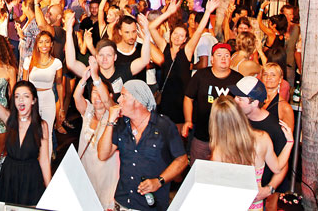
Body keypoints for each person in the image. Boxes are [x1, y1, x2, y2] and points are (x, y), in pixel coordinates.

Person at [0, 47, 51, 206]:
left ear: (33, 100)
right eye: (17, 96)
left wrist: (49, 190)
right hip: (9, 177)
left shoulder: (42, 126)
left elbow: (45, 161)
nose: (21, 100)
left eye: (26, 96)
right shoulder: (9, 119)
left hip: (31, 178)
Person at [98, 80, 188, 211]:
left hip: (151, 205)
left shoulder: (164, 126)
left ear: (138, 100)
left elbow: (182, 160)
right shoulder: (121, 125)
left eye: (123, 95)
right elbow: (102, 154)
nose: (118, 100)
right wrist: (110, 122)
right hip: (122, 202)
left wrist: (159, 181)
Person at [211, 95, 293, 210]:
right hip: (254, 205)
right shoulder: (262, 138)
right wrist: (289, 142)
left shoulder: (219, 151)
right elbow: (278, 168)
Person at [183, 38, 243, 164]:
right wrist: (188, 120)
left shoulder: (238, 79)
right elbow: (188, 98)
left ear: (230, 59)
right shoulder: (201, 75)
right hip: (202, 135)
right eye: (219, 55)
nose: (223, 58)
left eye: (227, 55)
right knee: (197, 168)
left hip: (227, 138)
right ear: (212, 59)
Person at [73, 67, 118, 209]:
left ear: (110, 95)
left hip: (106, 173)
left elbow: (109, 104)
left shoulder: (114, 115)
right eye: (94, 92)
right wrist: (84, 79)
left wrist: (96, 78)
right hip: (86, 170)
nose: (97, 96)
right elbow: (76, 97)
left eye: (100, 93)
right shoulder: (88, 110)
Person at [148, 0, 194, 125]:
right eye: (175, 34)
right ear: (171, 34)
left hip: (181, 99)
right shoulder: (165, 47)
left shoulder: (187, 51)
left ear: (185, 39)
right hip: (165, 98)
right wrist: (168, 13)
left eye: (181, 35)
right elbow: (151, 27)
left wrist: (207, 13)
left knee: (177, 132)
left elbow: (199, 31)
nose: (177, 37)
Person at [21, 30, 63, 158]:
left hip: (48, 99)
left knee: (47, 133)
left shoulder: (57, 63)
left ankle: (46, 164)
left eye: (47, 42)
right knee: (30, 132)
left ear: (51, 44)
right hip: (32, 100)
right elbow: (24, 83)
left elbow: (59, 85)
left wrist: (61, 107)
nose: (44, 45)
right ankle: (30, 162)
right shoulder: (29, 60)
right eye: (41, 42)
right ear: (37, 44)